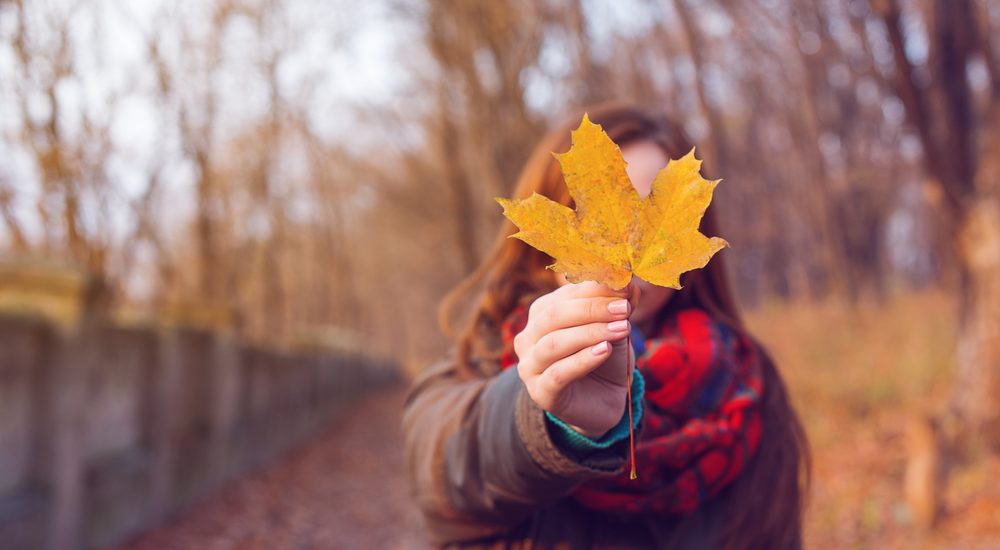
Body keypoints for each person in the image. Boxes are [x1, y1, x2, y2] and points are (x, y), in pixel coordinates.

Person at [402, 103, 809, 549]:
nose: (622, 251)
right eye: (591, 218)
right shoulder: (479, 360)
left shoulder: (748, 384)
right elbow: (443, 477)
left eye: (648, 214)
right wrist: (548, 421)